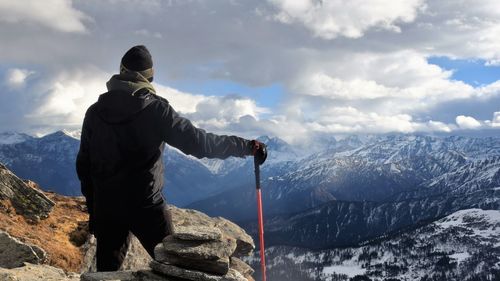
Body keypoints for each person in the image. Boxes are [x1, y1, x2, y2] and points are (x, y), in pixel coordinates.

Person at [76, 45, 267, 272]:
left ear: (120, 71)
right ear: (150, 77)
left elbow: (84, 165)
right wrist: (245, 147)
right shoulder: (157, 110)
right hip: (146, 208)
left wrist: (95, 208)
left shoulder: (94, 112)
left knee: (106, 273)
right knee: (174, 268)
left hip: (107, 207)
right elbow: (199, 143)